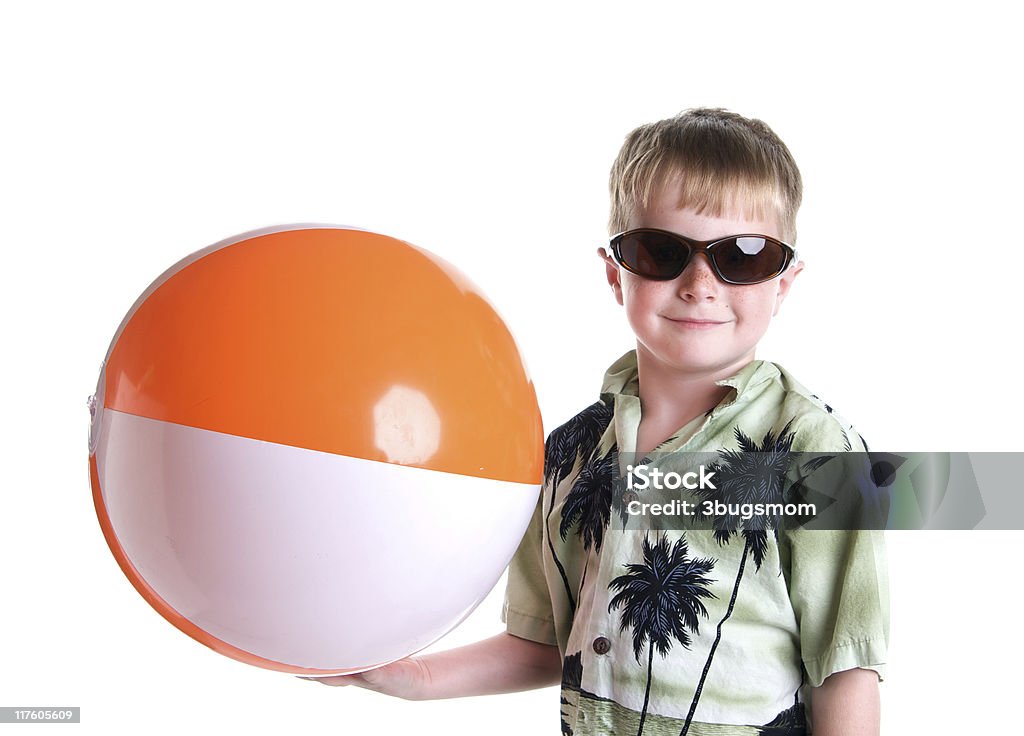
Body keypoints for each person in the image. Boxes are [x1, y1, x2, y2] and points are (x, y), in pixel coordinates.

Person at [306, 108, 889, 736]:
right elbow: (548, 642)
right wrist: (407, 679)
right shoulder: (568, 454)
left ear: (784, 283)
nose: (699, 284)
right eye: (662, 252)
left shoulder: (814, 448)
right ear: (617, 273)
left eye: (743, 258)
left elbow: (845, 668)